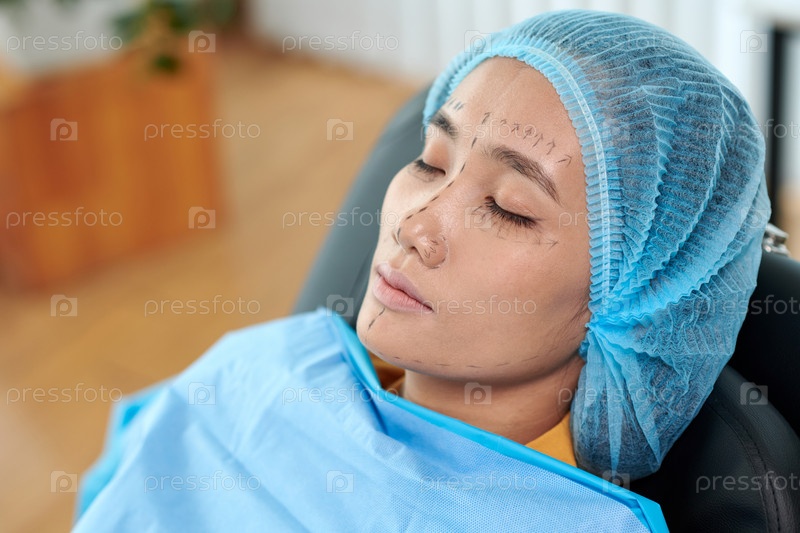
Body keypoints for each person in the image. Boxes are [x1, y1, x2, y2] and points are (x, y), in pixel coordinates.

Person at [73, 9, 768, 532]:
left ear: (640, 301)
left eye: (506, 207)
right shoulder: (267, 363)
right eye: (431, 162)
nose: (414, 223)